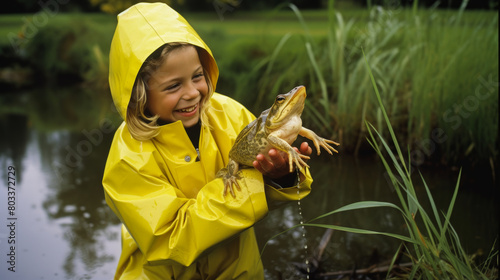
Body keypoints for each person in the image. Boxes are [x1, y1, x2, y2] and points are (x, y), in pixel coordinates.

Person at [102, 2, 314, 279]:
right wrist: (253, 183)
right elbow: (172, 240)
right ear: (139, 93)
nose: (192, 93)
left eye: (197, 76)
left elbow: (267, 196)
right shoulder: (127, 155)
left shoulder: (231, 113)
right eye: (173, 85)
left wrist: (281, 177)